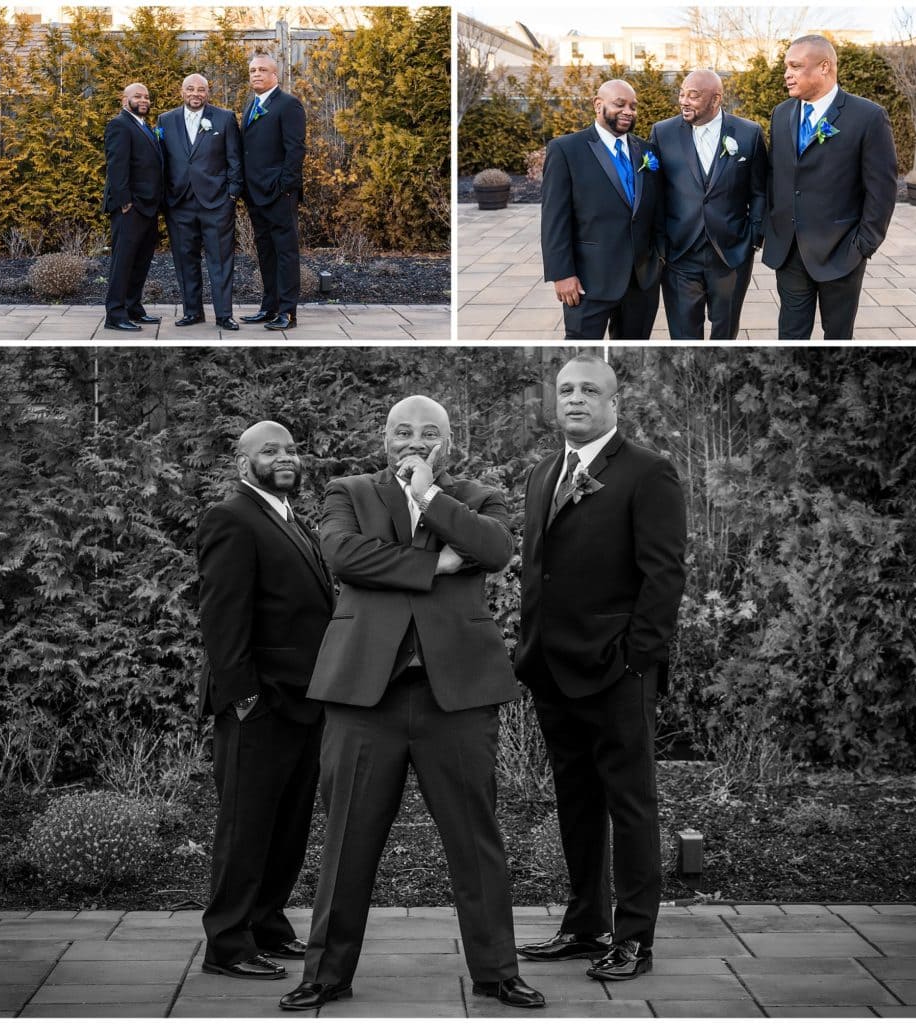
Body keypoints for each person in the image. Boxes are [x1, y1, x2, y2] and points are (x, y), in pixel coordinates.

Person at [278, 396, 545, 1012]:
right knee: (347, 838)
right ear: (385, 437)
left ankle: (497, 972)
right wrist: (436, 564)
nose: (414, 441)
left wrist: (429, 499)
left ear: (445, 444)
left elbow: (497, 550)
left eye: (428, 434)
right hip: (362, 695)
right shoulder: (349, 491)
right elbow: (344, 556)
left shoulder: (476, 497)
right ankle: (326, 974)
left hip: (456, 697)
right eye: (403, 431)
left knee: (476, 839)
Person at [514, 355, 686, 983]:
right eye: (566, 390)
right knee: (575, 801)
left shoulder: (647, 472)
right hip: (551, 670)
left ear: (615, 403)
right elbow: (541, 571)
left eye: (590, 390)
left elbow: (664, 575)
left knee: (630, 805)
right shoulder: (543, 473)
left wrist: (637, 660)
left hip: (617, 672)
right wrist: (526, 649)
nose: (575, 399)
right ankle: (585, 924)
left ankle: (635, 938)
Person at [197, 420, 334, 980]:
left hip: (304, 703)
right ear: (242, 463)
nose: (285, 457)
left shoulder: (292, 520)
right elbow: (222, 619)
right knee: (245, 827)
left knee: (287, 825)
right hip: (259, 706)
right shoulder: (231, 518)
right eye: (270, 450)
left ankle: (267, 925)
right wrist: (245, 700)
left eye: (291, 449)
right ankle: (227, 943)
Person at [762, 34, 898, 339]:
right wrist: (772, 228)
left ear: (824, 67)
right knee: (790, 337)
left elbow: (882, 190)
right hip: (789, 251)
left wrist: (864, 245)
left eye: (796, 66)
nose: (787, 73)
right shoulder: (781, 113)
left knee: (837, 338)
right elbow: (775, 175)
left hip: (842, 253)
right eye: (786, 66)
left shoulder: (868, 117)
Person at [540, 79, 665, 340]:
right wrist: (562, 274)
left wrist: (658, 260)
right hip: (589, 281)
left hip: (641, 282)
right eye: (619, 104)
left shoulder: (647, 150)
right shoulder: (566, 149)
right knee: (581, 350)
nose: (628, 111)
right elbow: (554, 218)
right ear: (598, 105)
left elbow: (656, 212)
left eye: (633, 106)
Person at [649, 70, 767, 339]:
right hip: (679, 254)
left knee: (725, 334)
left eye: (693, 95)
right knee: (682, 336)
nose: (684, 101)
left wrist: (754, 236)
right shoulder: (663, 132)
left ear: (716, 99)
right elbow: (655, 193)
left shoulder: (748, 133)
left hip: (731, 253)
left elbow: (759, 190)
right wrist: (660, 242)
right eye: (681, 93)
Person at [158, 74, 243, 331]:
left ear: (208, 92)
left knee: (221, 259)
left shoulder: (224, 118)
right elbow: (161, 161)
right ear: (182, 91)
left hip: (217, 202)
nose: (196, 93)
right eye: (190, 89)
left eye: (201, 89)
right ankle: (192, 312)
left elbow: (235, 159)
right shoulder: (165, 120)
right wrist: (165, 198)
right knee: (185, 260)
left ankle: (224, 315)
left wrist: (232, 195)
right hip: (179, 202)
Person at [239, 53, 306, 332]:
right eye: (253, 69)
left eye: (262, 69)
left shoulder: (289, 105)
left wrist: (285, 187)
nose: (256, 74)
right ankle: (269, 307)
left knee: (286, 252)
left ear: (274, 75)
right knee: (265, 252)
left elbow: (295, 150)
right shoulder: (250, 105)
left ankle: (288, 312)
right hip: (255, 194)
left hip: (279, 194)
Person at [102, 82, 163, 332]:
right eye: (137, 96)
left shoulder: (144, 126)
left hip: (148, 206)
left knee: (141, 261)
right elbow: (116, 166)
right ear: (124, 99)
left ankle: (133, 307)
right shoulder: (119, 125)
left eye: (147, 96)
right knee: (123, 261)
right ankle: (115, 314)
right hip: (130, 207)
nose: (143, 100)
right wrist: (125, 202)